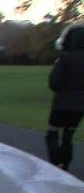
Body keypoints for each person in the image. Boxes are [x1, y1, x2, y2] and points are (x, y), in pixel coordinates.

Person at [46, 22, 84, 171]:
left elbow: (54, 82)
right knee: (68, 134)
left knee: (52, 132)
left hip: (62, 103)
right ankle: (65, 164)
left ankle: (56, 162)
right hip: (80, 106)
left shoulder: (65, 57)